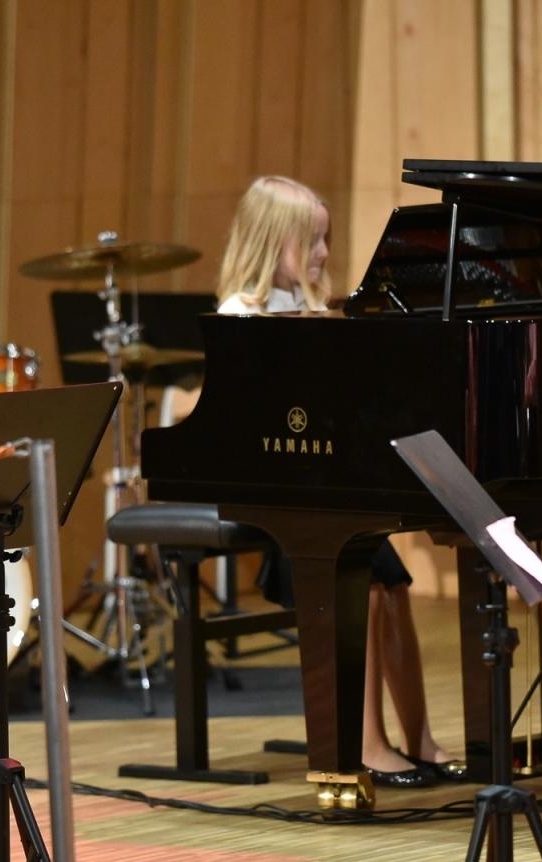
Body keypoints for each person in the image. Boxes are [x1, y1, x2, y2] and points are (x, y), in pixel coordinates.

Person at [216, 175, 463, 787]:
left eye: (325, 239)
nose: (325, 253)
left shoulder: (316, 312)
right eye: (313, 241)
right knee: (369, 584)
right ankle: (366, 744)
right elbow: (254, 425)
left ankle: (421, 740)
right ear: (271, 242)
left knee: (394, 584)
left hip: (320, 482)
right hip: (273, 490)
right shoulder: (239, 316)